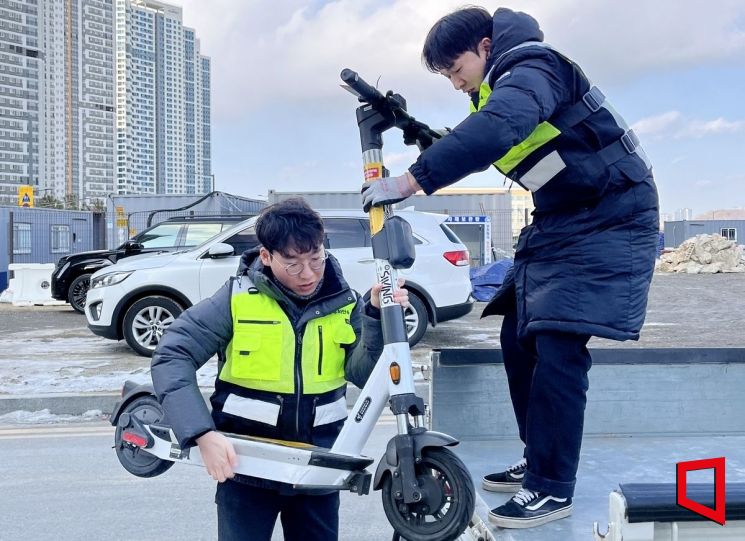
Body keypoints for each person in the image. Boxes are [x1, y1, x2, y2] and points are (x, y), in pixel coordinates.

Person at [361, 6, 659, 529]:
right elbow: (494, 134)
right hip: (564, 217)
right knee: (517, 332)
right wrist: (421, 132)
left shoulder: (533, 67)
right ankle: (537, 456)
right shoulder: (496, 88)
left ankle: (551, 487)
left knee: (559, 343)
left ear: (484, 46)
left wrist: (411, 181)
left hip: (613, 214)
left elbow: (501, 128)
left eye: (456, 69)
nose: (455, 83)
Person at [151, 198, 408, 541]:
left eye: (315, 258)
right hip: (246, 469)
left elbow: (363, 375)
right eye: (293, 263)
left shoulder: (345, 302)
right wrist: (201, 433)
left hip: (318, 468)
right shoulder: (236, 299)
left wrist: (374, 315)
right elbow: (172, 357)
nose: (308, 273)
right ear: (266, 256)